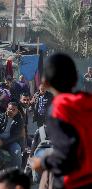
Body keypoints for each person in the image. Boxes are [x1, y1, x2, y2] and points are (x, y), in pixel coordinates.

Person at [32, 53, 92, 189]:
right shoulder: (87, 101)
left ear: (45, 82)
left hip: (73, 181)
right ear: (76, 79)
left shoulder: (60, 108)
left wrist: (42, 162)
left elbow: (65, 155)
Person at [0, 102, 24, 168]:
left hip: (11, 141)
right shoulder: (0, 117)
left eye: (14, 110)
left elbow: (16, 136)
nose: (11, 111)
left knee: (17, 150)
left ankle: (16, 171)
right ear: (7, 108)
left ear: (17, 111)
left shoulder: (19, 120)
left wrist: (3, 142)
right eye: (10, 109)